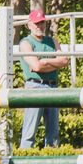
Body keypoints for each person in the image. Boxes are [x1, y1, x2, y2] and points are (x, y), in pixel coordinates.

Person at [18, 9, 69, 149]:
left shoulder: (52, 41)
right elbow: (36, 65)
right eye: (37, 23)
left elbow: (64, 60)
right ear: (29, 25)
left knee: (53, 133)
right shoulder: (25, 43)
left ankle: (52, 163)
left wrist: (44, 62)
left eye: (42, 23)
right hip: (34, 87)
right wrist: (52, 63)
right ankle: (24, 162)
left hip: (52, 86)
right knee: (30, 131)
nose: (40, 26)